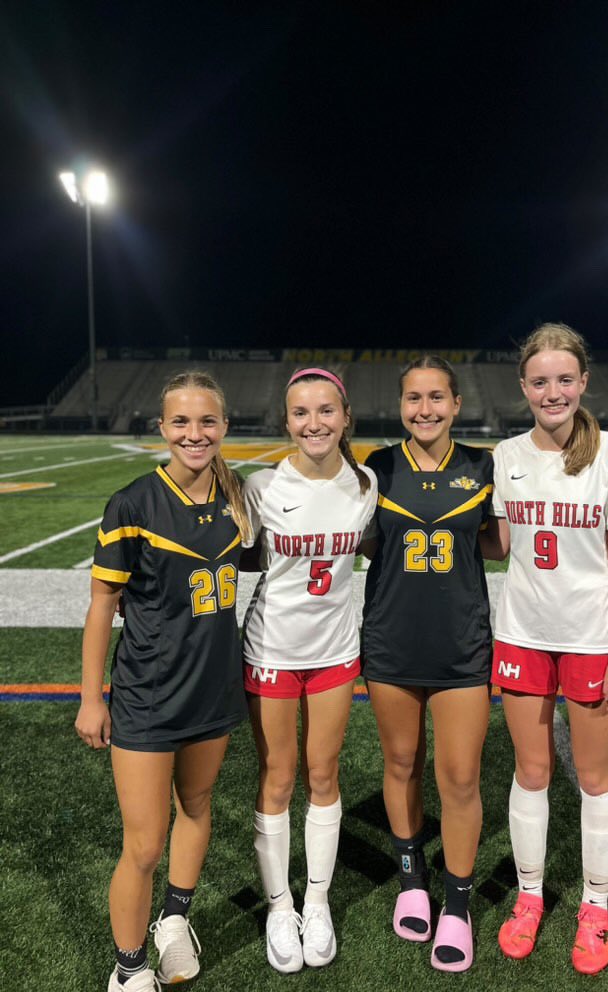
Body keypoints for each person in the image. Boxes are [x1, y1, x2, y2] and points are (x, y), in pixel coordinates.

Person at [75, 370, 251, 992]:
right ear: (162, 428)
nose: (194, 433)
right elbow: (102, 604)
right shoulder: (132, 503)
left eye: (206, 421)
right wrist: (92, 698)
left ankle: (174, 921)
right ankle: (128, 968)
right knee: (145, 844)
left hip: (214, 686)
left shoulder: (239, 499)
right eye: (181, 422)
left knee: (197, 806)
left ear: (224, 427)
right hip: (148, 693)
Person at [487, 323, 608, 975]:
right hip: (522, 632)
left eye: (565, 380)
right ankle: (529, 897)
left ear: (584, 382)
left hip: (590, 638)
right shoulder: (505, 455)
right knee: (532, 770)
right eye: (541, 381)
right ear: (524, 387)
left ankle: (595, 907)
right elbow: (498, 545)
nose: (553, 392)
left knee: (596, 776)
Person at [361, 355, 499, 973]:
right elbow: (367, 544)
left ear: (456, 404)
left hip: (460, 645)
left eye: (436, 397)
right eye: (414, 398)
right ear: (401, 406)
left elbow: (496, 544)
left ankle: (458, 905)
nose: (425, 409)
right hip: (392, 643)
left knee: (461, 778)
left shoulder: (481, 466)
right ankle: (412, 879)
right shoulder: (378, 467)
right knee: (400, 763)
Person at [242, 368, 377, 974]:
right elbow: (235, 558)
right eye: (301, 412)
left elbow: (377, 549)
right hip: (272, 649)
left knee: (324, 772)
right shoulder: (261, 486)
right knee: (278, 777)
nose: (314, 423)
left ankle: (316, 903)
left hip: (335, 652)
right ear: (286, 421)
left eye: (326, 411)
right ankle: (280, 907)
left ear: (345, 417)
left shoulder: (366, 484)